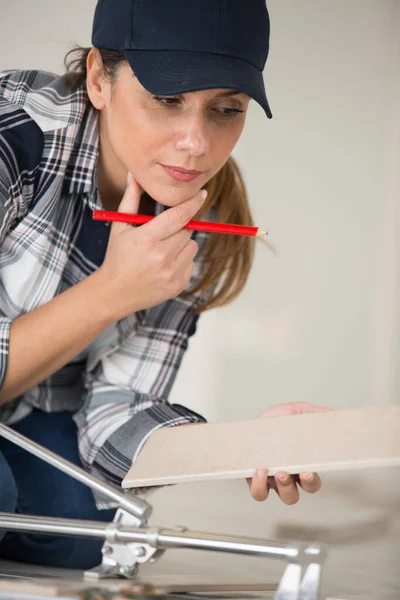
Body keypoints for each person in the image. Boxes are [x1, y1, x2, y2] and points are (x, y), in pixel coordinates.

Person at [0, 0, 327, 570]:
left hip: (35, 409)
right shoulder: (14, 134)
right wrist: (111, 292)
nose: (196, 143)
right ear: (100, 78)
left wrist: (240, 447)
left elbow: (118, 407)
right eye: (166, 100)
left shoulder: (202, 212)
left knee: (80, 527)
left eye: (226, 109)